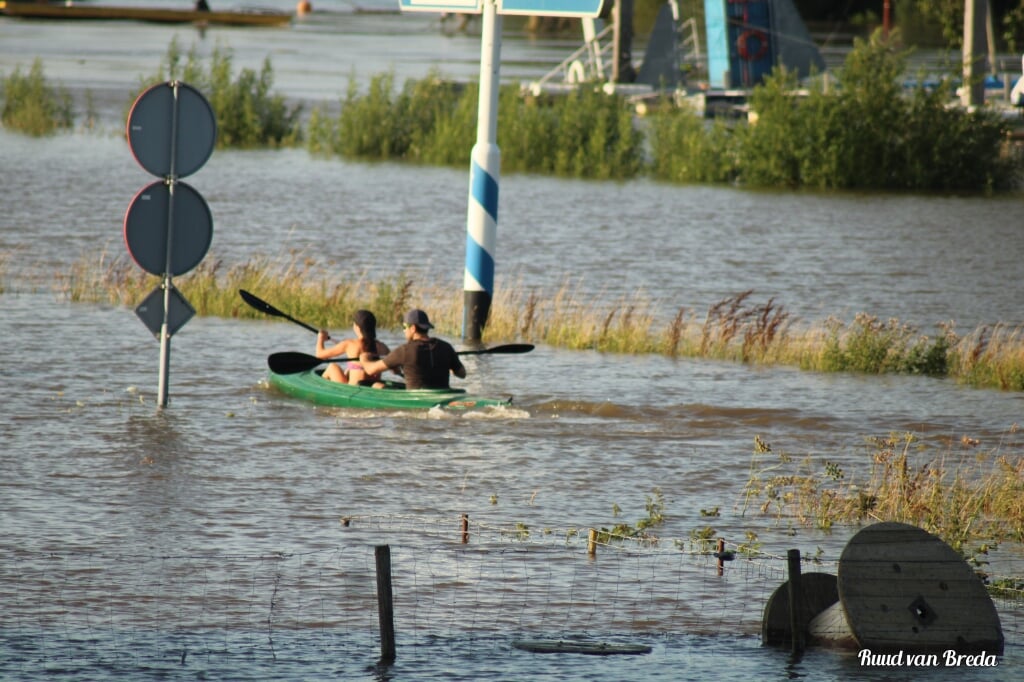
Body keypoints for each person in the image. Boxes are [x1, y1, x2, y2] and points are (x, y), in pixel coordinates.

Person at [359, 309, 466, 390]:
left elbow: (370, 370)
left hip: (417, 397)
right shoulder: (446, 347)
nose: (404, 331)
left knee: (377, 385)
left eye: (405, 327)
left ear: (413, 328)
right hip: (442, 394)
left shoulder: (404, 350)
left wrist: (364, 359)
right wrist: (448, 364)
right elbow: (462, 374)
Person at [316, 310, 390, 386]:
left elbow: (320, 355)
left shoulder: (349, 344)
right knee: (348, 371)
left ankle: (318, 388)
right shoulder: (383, 347)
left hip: (353, 388)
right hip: (371, 386)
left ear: (357, 327)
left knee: (332, 367)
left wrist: (320, 339)